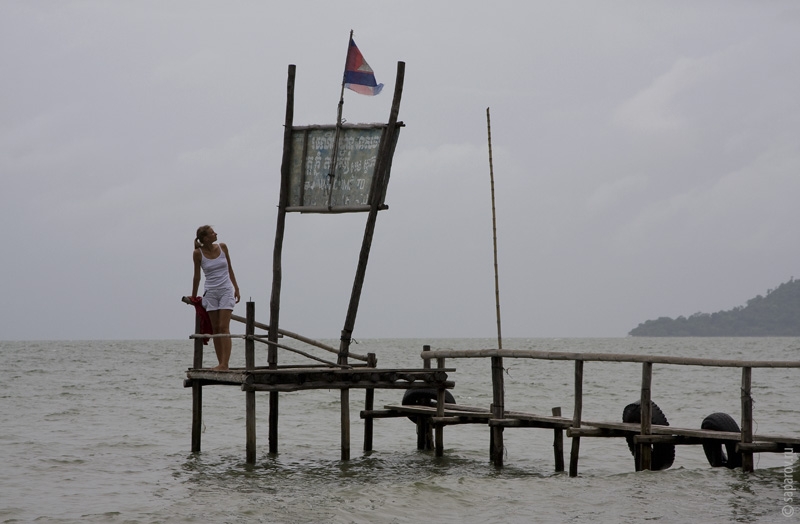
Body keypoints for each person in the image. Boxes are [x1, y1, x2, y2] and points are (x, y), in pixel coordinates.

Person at [191, 225, 240, 370]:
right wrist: (193, 296)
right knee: (216, 328)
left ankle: (225, 363)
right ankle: (221, 363)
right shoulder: (197, 253)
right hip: (210, 293)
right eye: (212, 233)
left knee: (224, 327)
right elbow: (197, 276)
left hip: (225, 290)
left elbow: (230, 268)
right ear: (206, 238)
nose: (216, 234)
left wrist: (236, 288)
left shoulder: (223, 247)